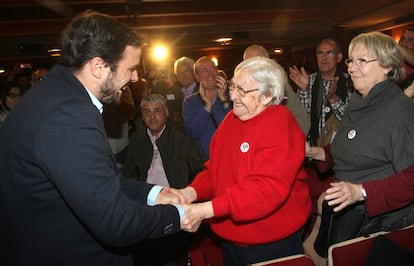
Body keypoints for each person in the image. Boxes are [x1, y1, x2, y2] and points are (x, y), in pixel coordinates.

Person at [0, 11, 196, 266]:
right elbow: (116, 222)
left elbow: (95, 183)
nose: (135, 78)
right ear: (98, 66)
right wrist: (179, 215)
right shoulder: (68, 115)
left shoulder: (55, 95)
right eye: (131, 69)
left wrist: (155, 194)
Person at [168, 56, 311, 265]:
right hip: (231, 234)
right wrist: (190, 192)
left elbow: (263, 190)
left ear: (267, 95)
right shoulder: (232, 119)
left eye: (242, 90)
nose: (232, 95)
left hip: (271, 239)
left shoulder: (280, 123)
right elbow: (215, 171)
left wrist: (205, 210)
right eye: (233, 86)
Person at [305, 31, 414, 255]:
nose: (352, 68)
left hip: (379, 223)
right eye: (351, 60)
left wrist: (361, 192)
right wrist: (317, 152)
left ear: (387, 66)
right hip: (346, 210)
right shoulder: (359, 100)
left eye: (362, 61)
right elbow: (356, 147)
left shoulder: (399, 109)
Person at [122, 94, 207, 265]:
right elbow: (129, 173)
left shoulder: (181, 137)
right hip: (147, 205)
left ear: (166, 112)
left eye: (157, 111)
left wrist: (190, 195)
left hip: (176, 202)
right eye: (147, 112)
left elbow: (201, 168)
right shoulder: (137, 139)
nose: (152, 116)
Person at [289, 39, 352, 147]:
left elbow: (351, 119)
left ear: (339, 57)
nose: (324, 57)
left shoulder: (350, 82)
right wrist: (304, 90)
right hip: (315, 146)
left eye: (329, 53)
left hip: (341, 147)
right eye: (320, 53)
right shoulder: (309, 80)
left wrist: (333, 100)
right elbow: (302, 118)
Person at [243, 44, 310, 134]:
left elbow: (302, 119)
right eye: (247, 63)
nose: (250, 67)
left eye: (254, 62)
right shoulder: (242, 87)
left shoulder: (277, 84)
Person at [182, 56, 231, 158]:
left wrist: (223, 101)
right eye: (205, 70)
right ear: (197, 77)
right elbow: (193, 133)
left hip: (229, 157)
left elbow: (233, 128)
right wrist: (207, 108)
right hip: (205, 161)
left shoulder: (231, 97)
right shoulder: (190, 102)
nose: (211, 74)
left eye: (213, 69)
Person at [102, 84, 136, 168]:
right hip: (101, 149)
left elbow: (131, 113)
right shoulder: (93, 87)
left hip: (120, 148)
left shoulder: (123, 88)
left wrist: (117, 98)